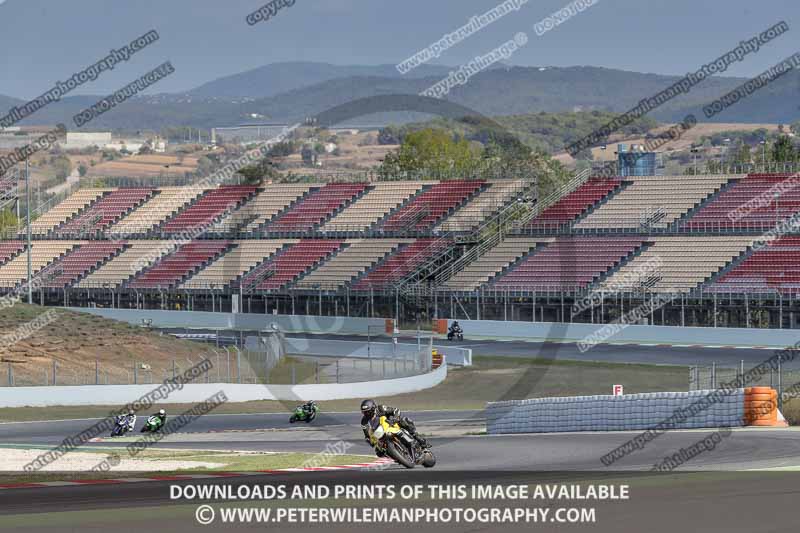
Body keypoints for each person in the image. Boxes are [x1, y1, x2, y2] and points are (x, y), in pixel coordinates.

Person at [360, 399, 429, 449]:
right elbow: (367, 435)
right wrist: (370, 441)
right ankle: (396, 456)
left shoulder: (380, 409)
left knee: (404, 420)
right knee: (379, 452)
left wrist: (395, 418)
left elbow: (396, 410)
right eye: (364, 412)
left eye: (368, 412)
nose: (366, 414)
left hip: (391, 424)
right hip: (380, 433)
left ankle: (417, 436)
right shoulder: (364, 421)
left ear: (373, 408)